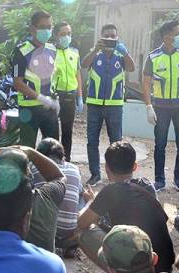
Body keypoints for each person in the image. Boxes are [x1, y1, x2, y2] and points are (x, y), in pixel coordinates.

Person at [77, 141, 175, 273]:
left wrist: (91, 201)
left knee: (83, 233)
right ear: (135, 166)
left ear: (106, 168)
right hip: (163, 265)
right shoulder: (146, 185)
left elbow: (82, 222)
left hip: (136, 267)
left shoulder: (110, 191)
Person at [143, 20, 179, 192]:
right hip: (160, 107)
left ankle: (178, 178)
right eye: (177, 33)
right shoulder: (153, 57)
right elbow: (145, 83)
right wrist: (148, 107)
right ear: (167, 36)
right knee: (159, 144)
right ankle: (159, 180)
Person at [82, 24, 135, 186]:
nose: (110, 39)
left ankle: (117, 176)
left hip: (115, 106)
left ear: (117, 37)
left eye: (113, 36)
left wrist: (125, 51)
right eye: (107, 36)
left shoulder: (121, 54)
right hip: (94, 105)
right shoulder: (95, 53)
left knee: (116, 143)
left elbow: (132, 68)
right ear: (101, 37)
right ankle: (95, 174)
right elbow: (84, 64)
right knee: (92, 141)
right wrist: (94, 49)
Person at [12, 11, 60, 148]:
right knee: (27, 149)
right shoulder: (21, 51)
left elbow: (51, 76)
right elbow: (17, 83)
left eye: (49, 27)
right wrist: (40, 98)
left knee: (53, 148)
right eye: (42, 26)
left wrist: (55, 99)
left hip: (49, 107)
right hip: (29, 109)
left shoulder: (52, 49)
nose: (47, 30)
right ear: (33, 28)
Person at [31, 138, 81, 252]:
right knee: (81, 195)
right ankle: (70, 241)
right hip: (69, 231)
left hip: (44, 230)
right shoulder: (74, 168)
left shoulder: (33, 167)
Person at [52, 22, 83, 160]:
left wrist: (80, 97)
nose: (66, 37)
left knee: (67, 131)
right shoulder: (50, 52)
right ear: (56, 35)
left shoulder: (75, 53)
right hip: (54, 96)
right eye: (63, 34)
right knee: (52, 132)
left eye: (69, 33)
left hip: (71, 95)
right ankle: (53, 160)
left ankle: (67, 159)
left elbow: (78, 75)